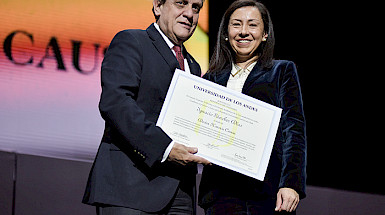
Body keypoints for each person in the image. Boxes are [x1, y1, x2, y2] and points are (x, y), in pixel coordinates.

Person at [82, 0, 210, 214]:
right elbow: (116, 102)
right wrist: (165, 148)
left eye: (196, 7)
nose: (189, 13)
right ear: (158, 6)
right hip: (130, 187)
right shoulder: (132, 41)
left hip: (181, 194)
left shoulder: (193, 66)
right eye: (181, 3)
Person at [198, 0, 307, 214]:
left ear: (265, 33)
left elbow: (293, 131)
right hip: (220, 195)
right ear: (226, 33)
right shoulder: (209, 79)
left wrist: (291, 183)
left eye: (252, 25)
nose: (243, 32)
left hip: (265, 194)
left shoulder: (281, 71)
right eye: (236, 24)